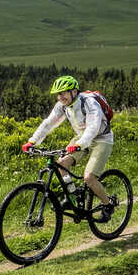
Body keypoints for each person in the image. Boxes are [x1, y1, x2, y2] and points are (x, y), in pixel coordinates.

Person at [21, 75, 115, 221]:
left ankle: (108, 204)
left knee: (89, 178)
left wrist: (79, 145)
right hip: (82, 138)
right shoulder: (62, 106)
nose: (60, 97)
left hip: (102, 139)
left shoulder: (89, 102)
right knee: (62, 164)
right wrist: (32, 141)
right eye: (58, 94)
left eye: (64, 93)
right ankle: (71, 196)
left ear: (74, 91)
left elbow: (93, 127)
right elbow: (48, 124)